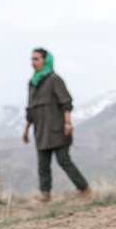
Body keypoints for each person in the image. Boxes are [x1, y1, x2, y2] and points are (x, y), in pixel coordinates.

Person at [22, 48, 90, 202]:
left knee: (63, 159)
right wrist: (26, 130)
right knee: (43, 163)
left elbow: (66, 102)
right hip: (41, 130)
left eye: (37, 59)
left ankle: (84, 188)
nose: (33, 63)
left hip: (57, 128)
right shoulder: (32, 83)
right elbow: (30, 109)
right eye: (32, 59)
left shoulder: (54, 80)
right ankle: (45, 193)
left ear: (45, 61)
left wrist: (67, 123)